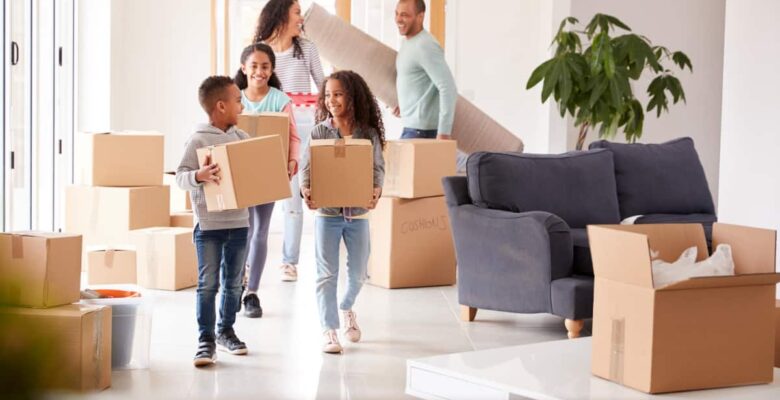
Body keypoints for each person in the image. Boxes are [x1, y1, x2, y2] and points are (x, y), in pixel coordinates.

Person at [300, 70, 385, 354]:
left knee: (359, 273)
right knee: (326, 274)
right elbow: (307, 168)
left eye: (337, 94)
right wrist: (306, 189)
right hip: (327, 213)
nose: (331, 100)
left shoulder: (367, 133)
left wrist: (376, 189)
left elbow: (377, 169)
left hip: (358, 213)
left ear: (352, 96)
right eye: (327, 95)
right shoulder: (319, 132)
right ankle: (329, 330)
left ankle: (346, 307)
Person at [176, 75, 250, 367]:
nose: (241, 105)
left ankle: (226, 330)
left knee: (234, 284)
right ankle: (205, 339)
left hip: (240, 223)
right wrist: (199, 176)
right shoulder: (197, 139)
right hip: (208, 227)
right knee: (208, 284)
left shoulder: (241, 138)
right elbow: (181, 176)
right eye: (237, 100)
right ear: (221, 106)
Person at [253, 0, 325, 283]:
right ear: (282, 14)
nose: (301, 18)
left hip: (304, 126)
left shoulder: (307, 48)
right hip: (270, 126)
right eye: (297, 12)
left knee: (294, 196)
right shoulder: (262, 51)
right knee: (259, 195)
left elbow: (324, 85)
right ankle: (250, 260)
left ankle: (289, 262)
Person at [234, 42, 301, 318]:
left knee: (260, 230)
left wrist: (292, 161)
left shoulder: (280, 100)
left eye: (265, 67)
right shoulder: (235, 98)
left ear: (272, 70)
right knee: (242, 231)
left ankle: (252, 293)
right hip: (240, 172)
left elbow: (293, 136)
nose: (259, 72)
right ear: (244, 68)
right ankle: (236, 285)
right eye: (254, 66)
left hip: (268, 172)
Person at [393, 0, 457, 141]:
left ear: (420, 16)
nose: (398, 19)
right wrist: (405, 105)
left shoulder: (425, 45)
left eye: (404, 15)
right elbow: (420, 82)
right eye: (396, 13)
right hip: (412, 128)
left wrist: (444, 132)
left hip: (422, 132)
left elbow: (448, 87)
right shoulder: (408, 43)